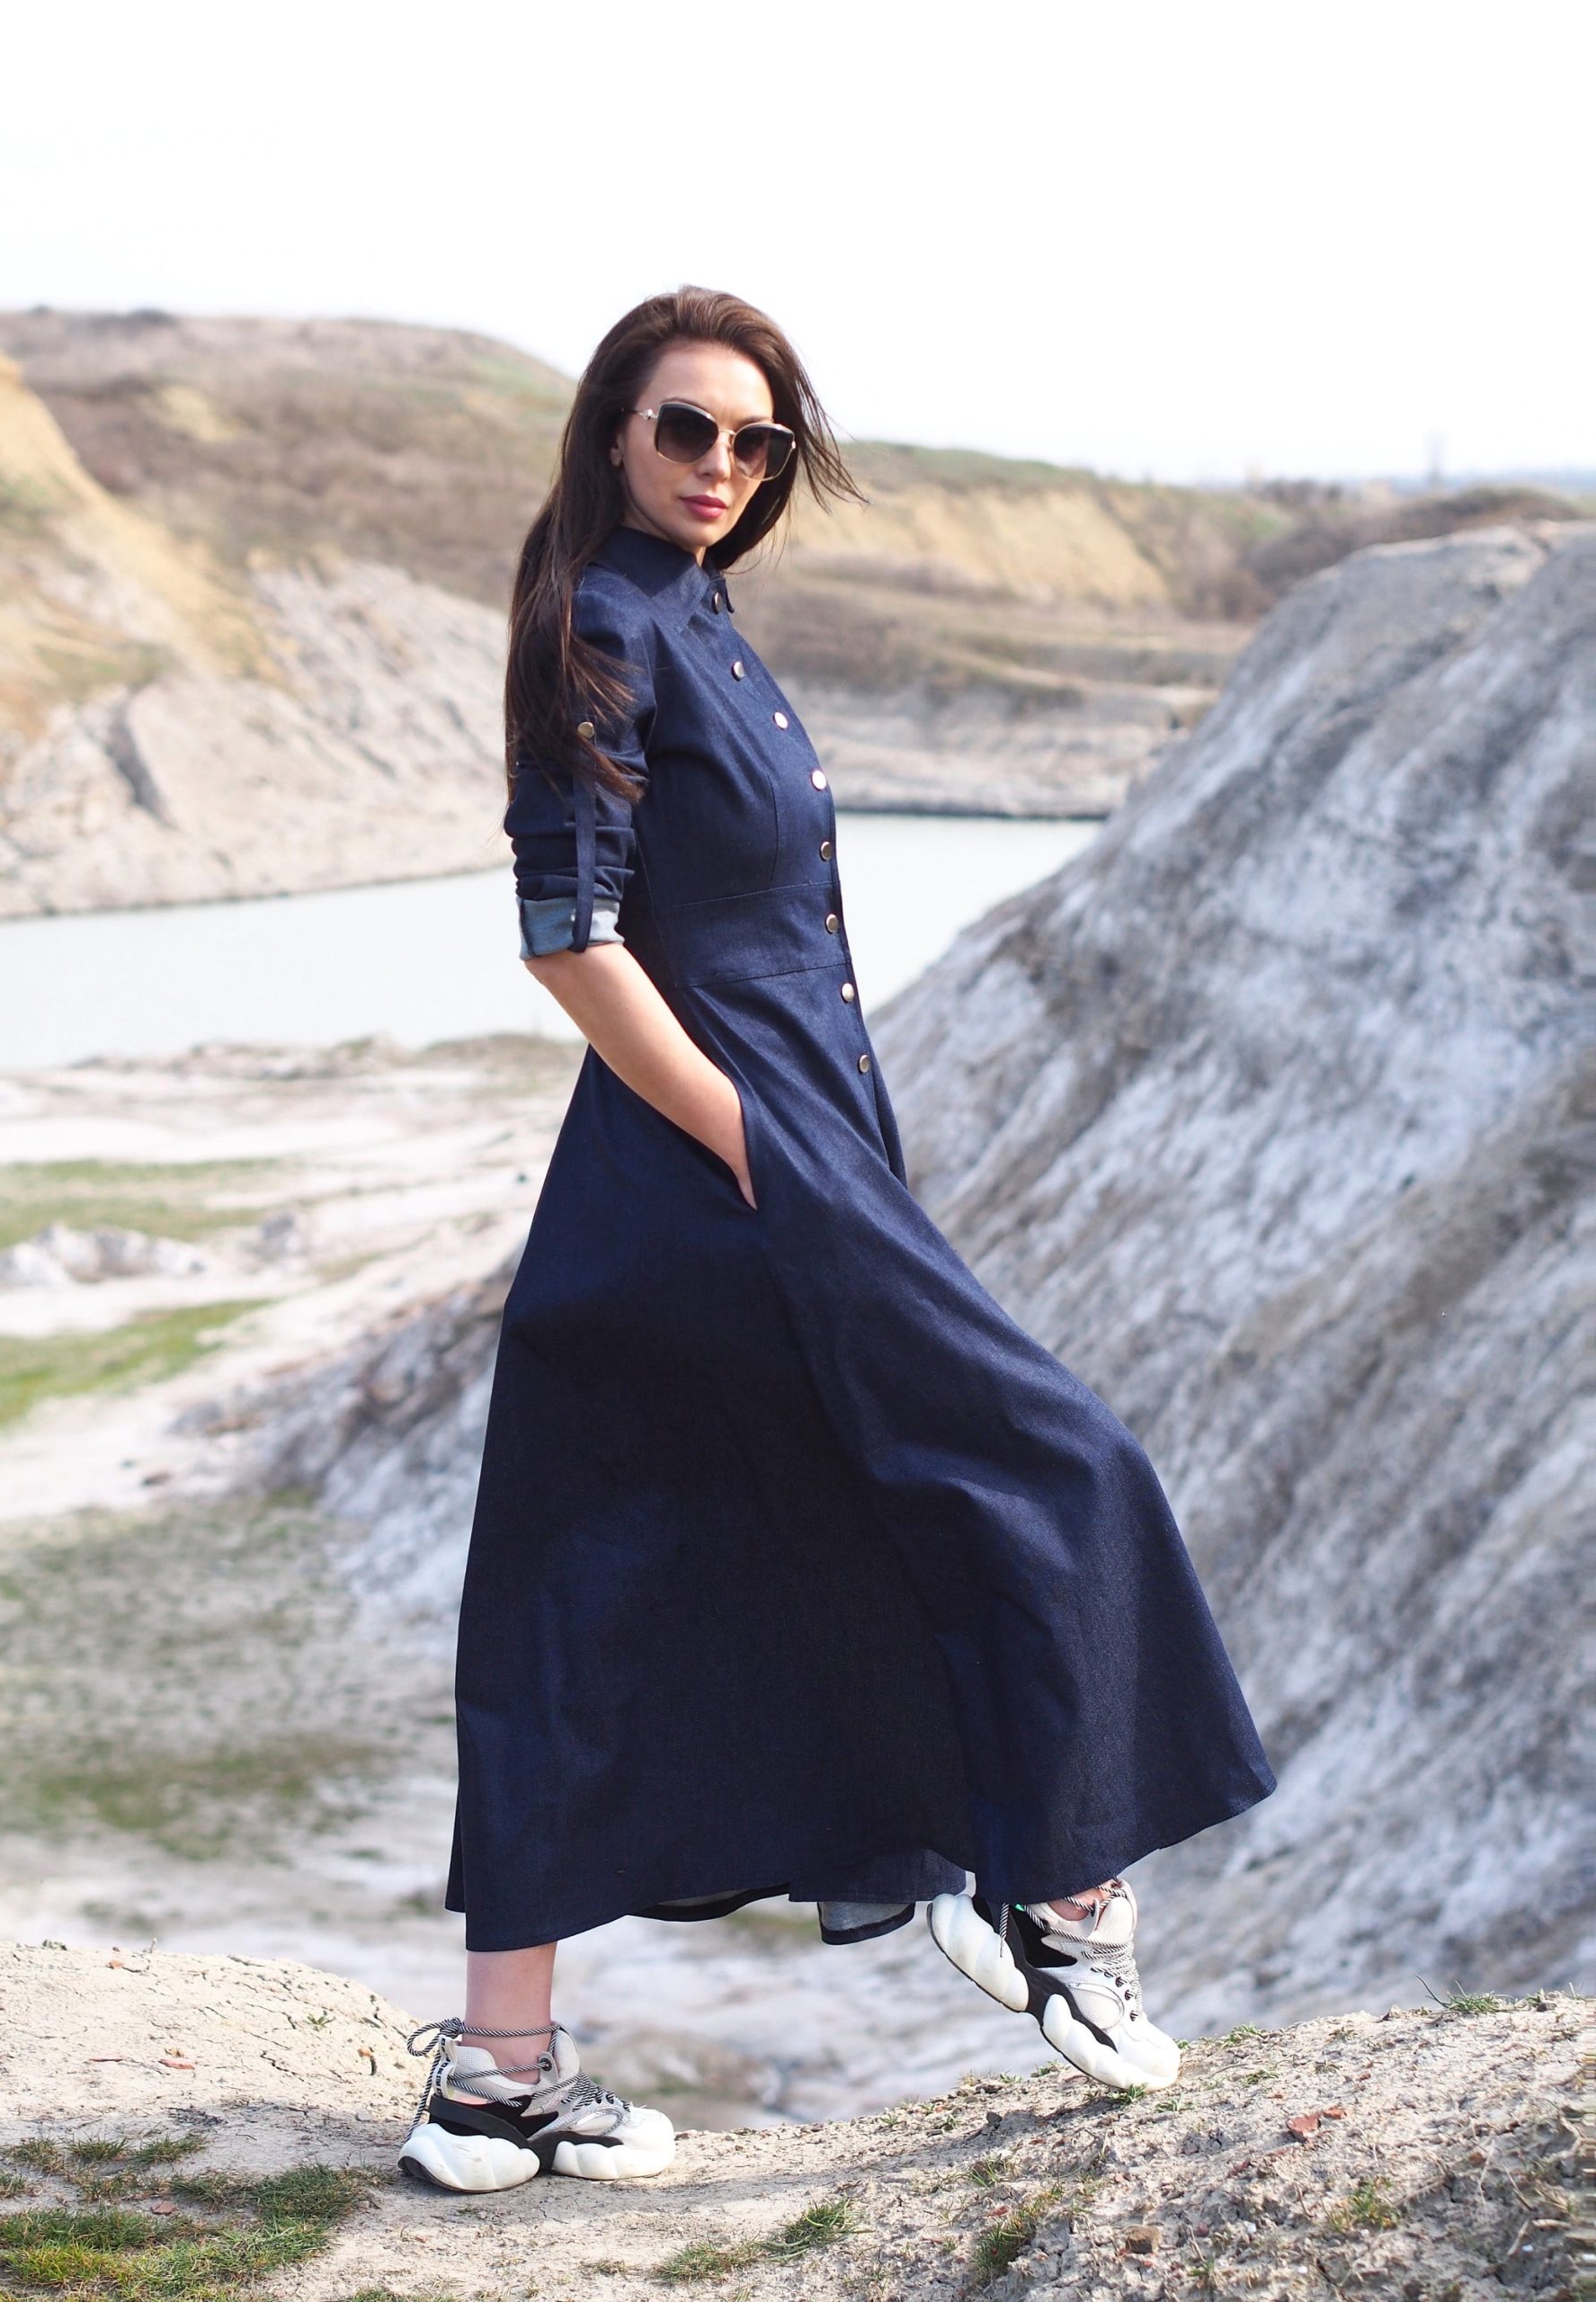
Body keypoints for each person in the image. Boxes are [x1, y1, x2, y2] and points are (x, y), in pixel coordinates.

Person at [398, 288, 1275, 2196]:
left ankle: (496, 2073)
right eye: (686, 428)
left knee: (593, 1582)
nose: (721, 464)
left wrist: (793, 1144)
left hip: (751, 1166)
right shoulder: (600, 623)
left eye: (755, 438)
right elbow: (568, 937)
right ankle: (1063, 1898)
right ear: (612, 435)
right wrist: (753, 1146)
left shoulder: (693, 615)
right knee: (1056, 1460)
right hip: (724, 1173)